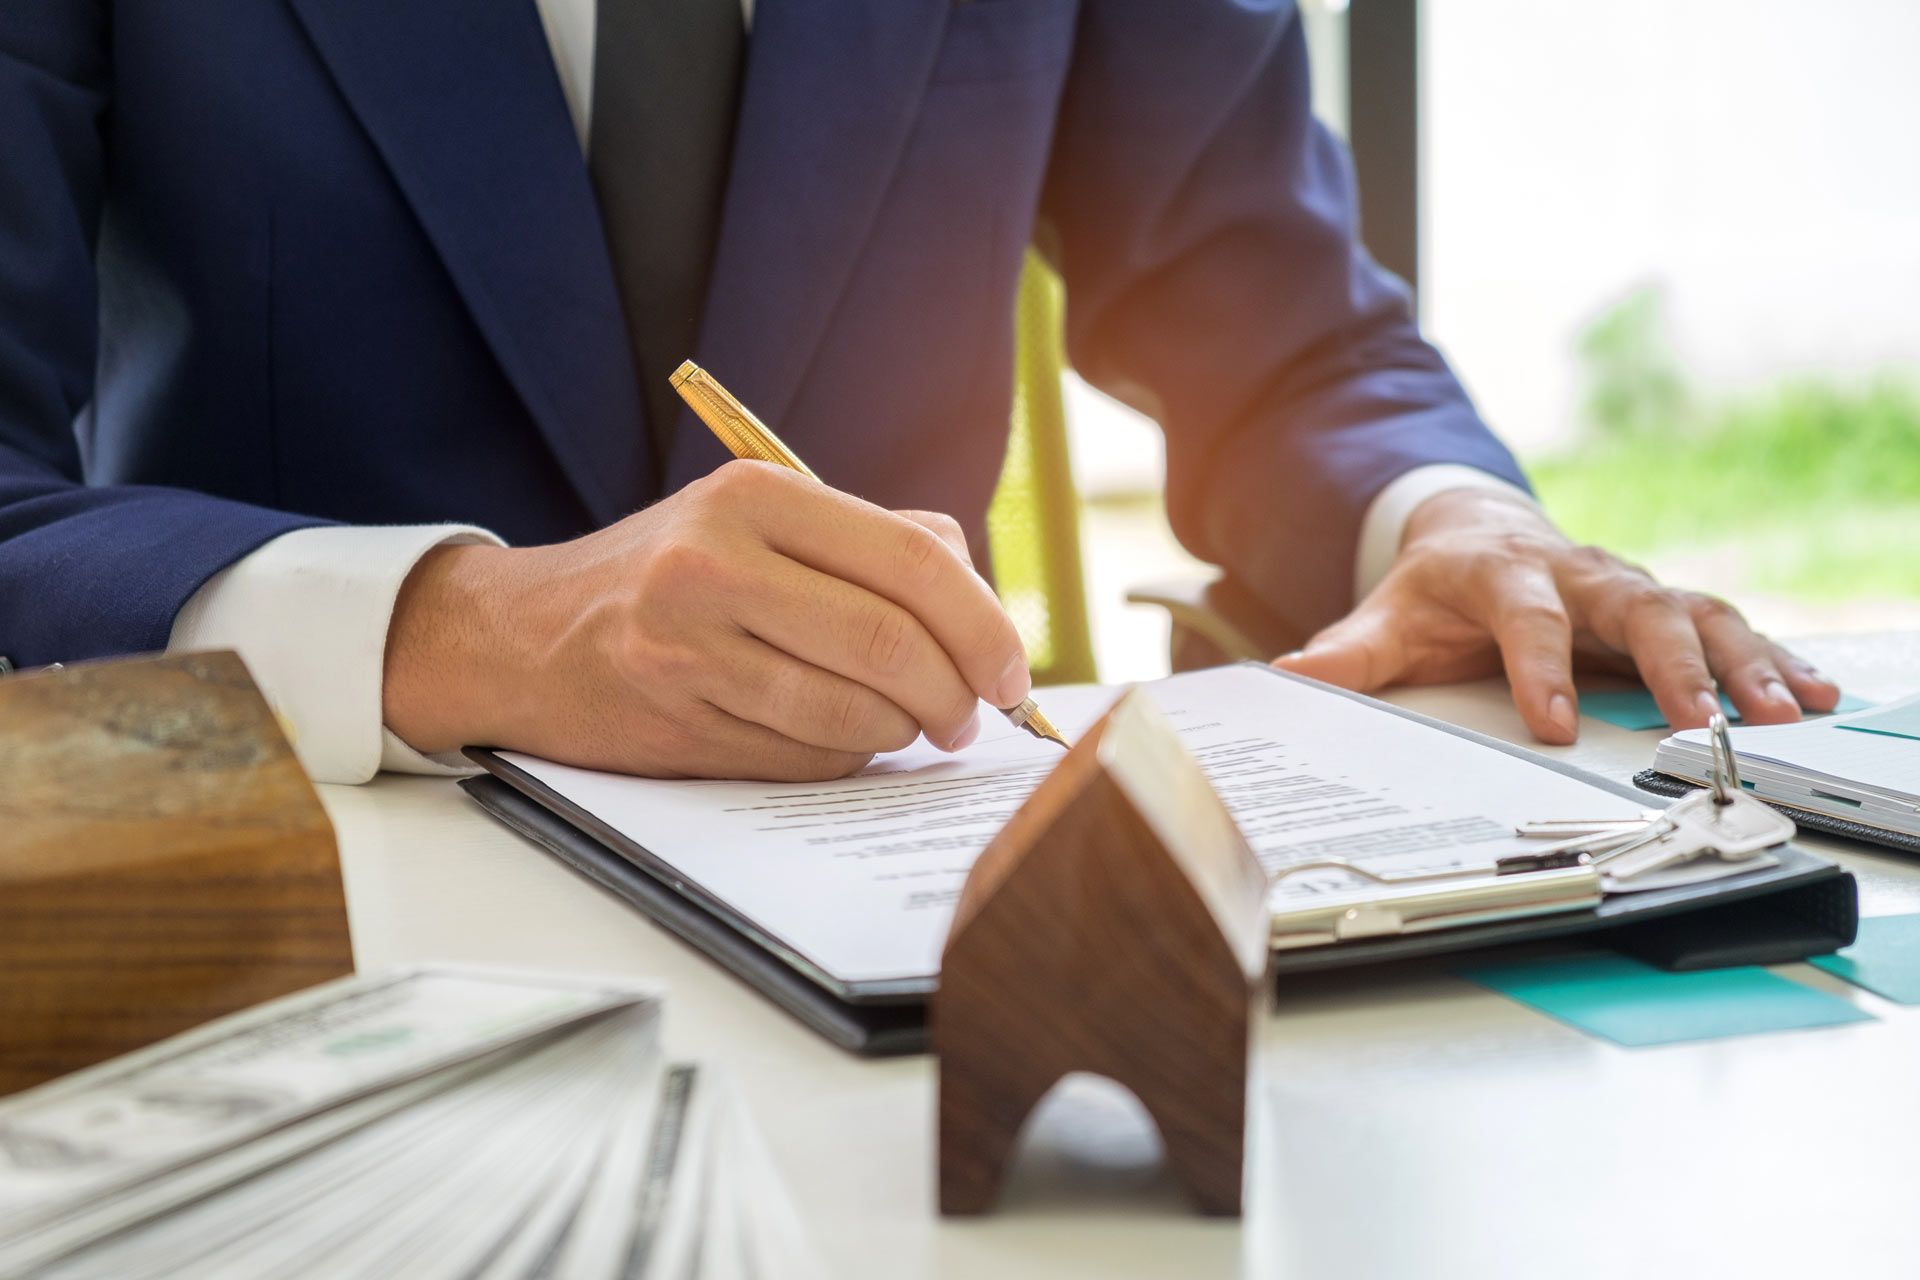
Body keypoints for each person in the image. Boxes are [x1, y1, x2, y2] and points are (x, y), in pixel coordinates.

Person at [0, 0, 1836, 785]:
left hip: (905, 910)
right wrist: (469, 627)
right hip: (296, 901)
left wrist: (1447, 518)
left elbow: (1294, 344)